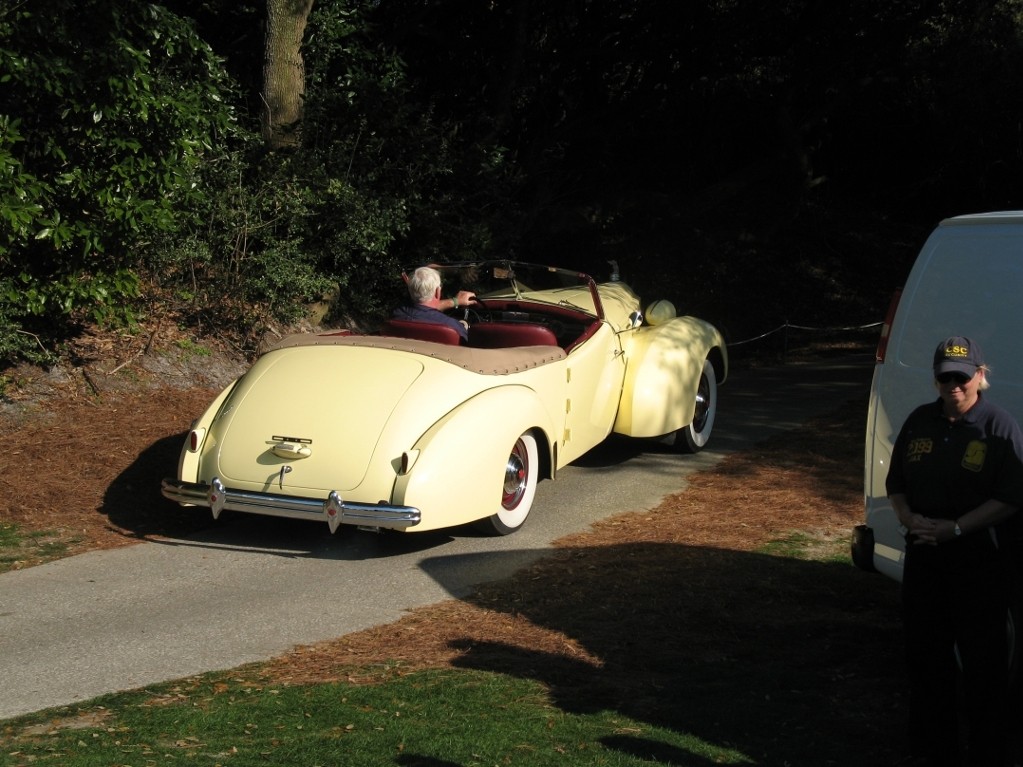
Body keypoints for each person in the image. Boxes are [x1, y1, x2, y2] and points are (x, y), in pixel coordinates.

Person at [886, 336, 1023, 767]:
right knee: (926, 662)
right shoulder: (919, 421)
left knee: (984, 668)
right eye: (946, 377)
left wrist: (958, 528)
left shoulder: (998, 427)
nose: (954, 386)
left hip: (978, 561)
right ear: (936, 379)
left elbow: (1012, 497)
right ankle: (932, 752)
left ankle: (989, 755)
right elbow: (896, 485)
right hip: (926, 558)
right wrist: (909, 518)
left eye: (963, 377)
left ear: (981, 376)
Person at [392, 266, 476, 343]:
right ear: (437, 292)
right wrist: (464, 326)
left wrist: (455, 301)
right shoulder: (452, 326)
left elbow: (422, 310)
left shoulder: (396, 314)